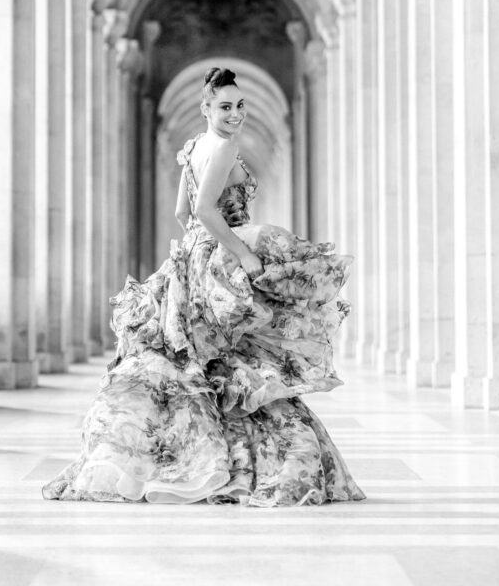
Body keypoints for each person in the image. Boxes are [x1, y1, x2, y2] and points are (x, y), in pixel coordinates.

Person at [42, 67, 365, 506]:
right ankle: (226, 462)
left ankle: (176, 458)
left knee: (202, 361)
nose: (235, 114)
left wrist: (200, 248)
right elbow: (206, 210)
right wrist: (243, 253)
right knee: (234, 358)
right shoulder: (226, 147)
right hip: (219, 255)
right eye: (225, 107)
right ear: (206, 108)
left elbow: (183, 213)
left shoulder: (193, 147)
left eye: (240, 105)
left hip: (190, 258)